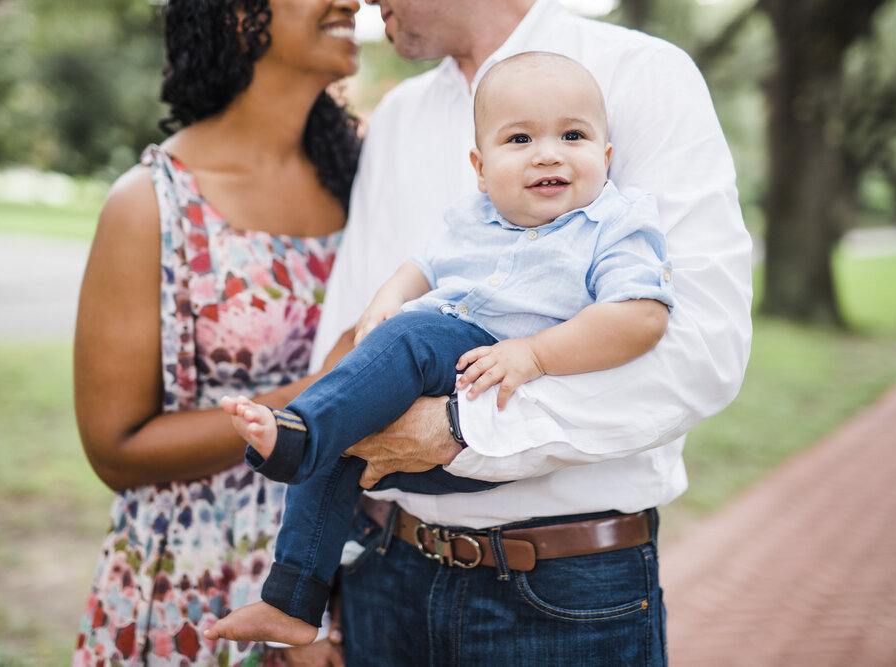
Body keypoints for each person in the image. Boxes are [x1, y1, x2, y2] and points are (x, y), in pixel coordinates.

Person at [307, 1, 755, 665]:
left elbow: (700, 352)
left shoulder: (642, 76)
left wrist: (459, 428)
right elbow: (348, 341)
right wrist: (320, 593)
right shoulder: (398, 115)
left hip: (562, 593)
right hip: (380, 578)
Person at [205, 52, 675, 646]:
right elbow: (423, 264)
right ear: (481, 169)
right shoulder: (475, 217)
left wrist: (533, 355)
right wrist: (389, 294)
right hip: (428, 478)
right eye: (521, 138)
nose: (549, 152)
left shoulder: (613, 222)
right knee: (348, 444)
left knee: (408, 336)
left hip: (487, 387)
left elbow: (641, 318)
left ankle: (301, 433)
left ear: (605, 158)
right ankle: (293, 599)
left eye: (573, 135)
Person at [71, 0, 363, 664]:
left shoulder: (359, 182)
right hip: (198, 581)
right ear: (237, 13)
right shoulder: (151, 203)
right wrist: (318, 392)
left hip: (344, 581)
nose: (350, 0)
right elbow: (115, 447)